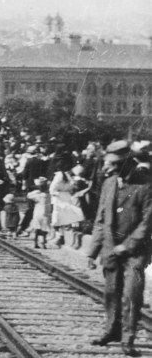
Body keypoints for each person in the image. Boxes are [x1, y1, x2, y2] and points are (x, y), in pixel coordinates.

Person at [88, 141, 152, 357]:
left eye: (115, 164)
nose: (110, 168)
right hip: (109, 249)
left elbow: (147, 221)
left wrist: (128, 245)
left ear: (128, 163)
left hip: (135, 252)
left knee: (131, 296)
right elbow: (100, 218)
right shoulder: (108, 183)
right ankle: (111, 332)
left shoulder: (145, 185)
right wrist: (93, 250)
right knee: (110, 294)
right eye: (109, 164)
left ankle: (128, 338)